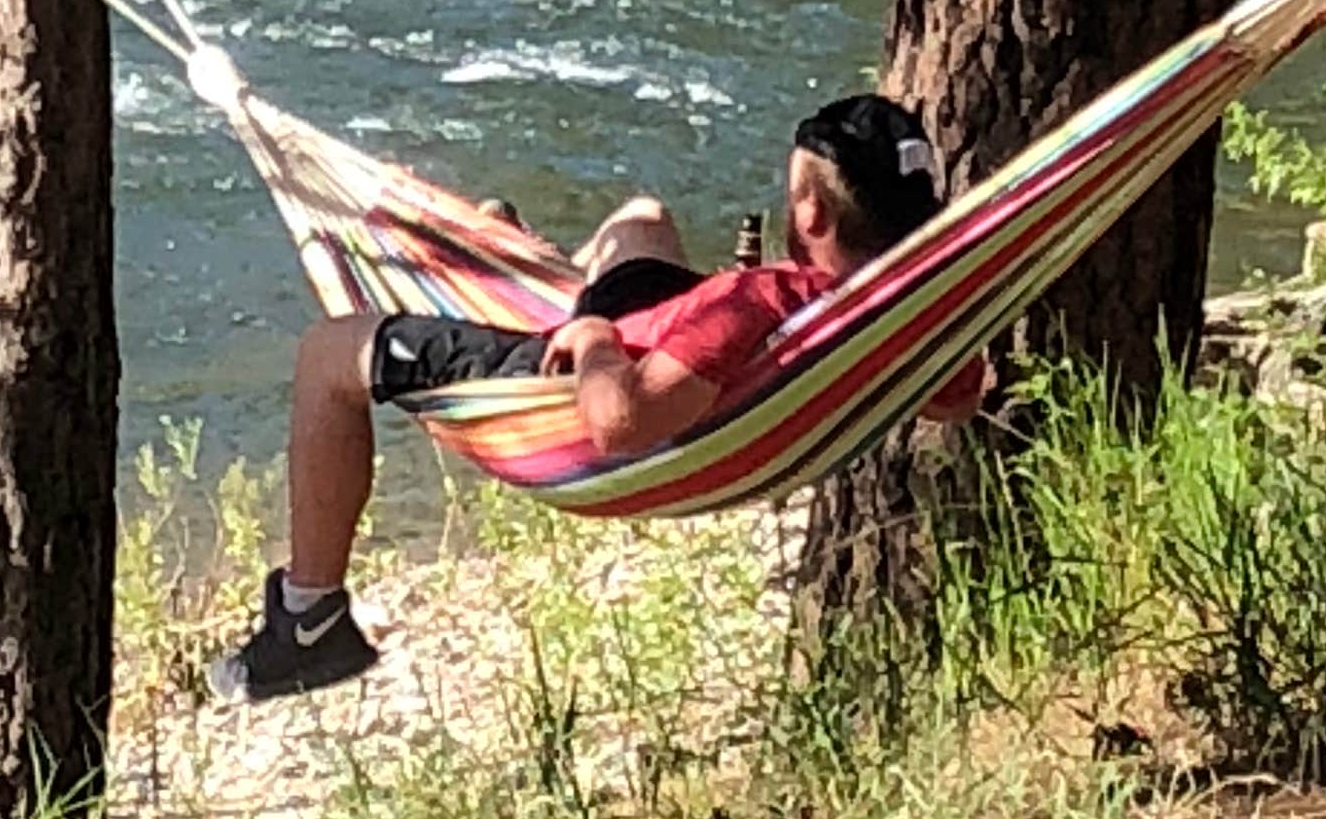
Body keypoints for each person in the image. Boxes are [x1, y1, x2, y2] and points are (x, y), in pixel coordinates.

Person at [209, 91, 989, 705]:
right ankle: (510, 266)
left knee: (328, 354)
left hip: (582, 379)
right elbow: (956, 400)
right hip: (666, 330)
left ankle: (309, 618)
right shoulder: (906, 318)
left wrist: (594, 343)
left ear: (811, 212)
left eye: (793, 196)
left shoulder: (764, 295)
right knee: (642, 221)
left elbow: (621, 424)